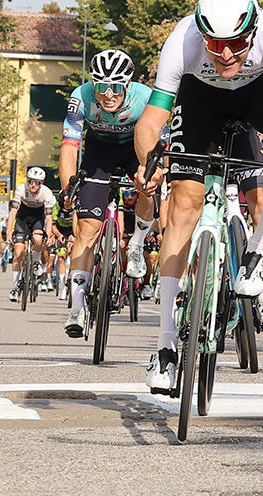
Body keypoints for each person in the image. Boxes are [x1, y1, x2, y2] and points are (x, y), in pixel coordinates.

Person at [135, 0, 263, 394]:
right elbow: (150, 122)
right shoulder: (181, 42)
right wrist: (148, 161)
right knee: (184, 205)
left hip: (255, 95)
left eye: (236, 43)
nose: (227, 54)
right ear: (201, 33)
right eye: (215, 45)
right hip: (200, 102)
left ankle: (257, 250)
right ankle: (164, 345)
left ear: (253, 31)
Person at [58, 50, 162, 337]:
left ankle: (137, 244)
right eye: (101, 86)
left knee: (148, 187)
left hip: (135, 147)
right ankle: (77, 307)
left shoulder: (145, 96)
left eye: (116, 87)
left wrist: (152, 171)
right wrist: (69, 186)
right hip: (99, 152)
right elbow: (69, 146)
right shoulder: (81, 96)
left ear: (127, 86)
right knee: (87, 231)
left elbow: (155, 142)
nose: (107, 94)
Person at [6, 167, 54, 302]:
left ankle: (37, 261)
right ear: (27, 180)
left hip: (38, 217)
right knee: (18, 252)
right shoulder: (21, 189)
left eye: (37, 182)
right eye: (31, 181)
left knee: (38, 239)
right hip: (23, 217)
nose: (33, 185)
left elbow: (49, 218)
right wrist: (9, 232)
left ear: (42, 183)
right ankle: (15, 288)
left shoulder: (47, 193)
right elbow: (13, 213)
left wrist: (49, 235)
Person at [49, 199, 75, 300]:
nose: (68, 203)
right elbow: (53, 226)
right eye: (66, 202)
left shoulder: (76, 207)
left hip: (74, 231)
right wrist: (59, 235)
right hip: (61, 231)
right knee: (61, 258)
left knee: (75, 256)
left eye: (71, 202)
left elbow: (80, 224)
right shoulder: (57, 207)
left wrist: (74, 235)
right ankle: (63, 287)